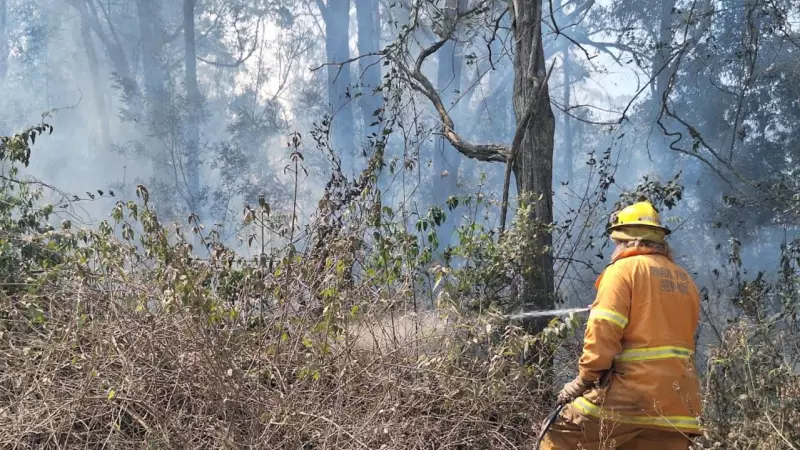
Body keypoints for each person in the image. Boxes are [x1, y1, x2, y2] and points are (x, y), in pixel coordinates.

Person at [540, 200, 703, 450]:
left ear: (626, 240)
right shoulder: (684, 280)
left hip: (630, 395)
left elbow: (603, 330)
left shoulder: (622, 271)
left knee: (558, 436)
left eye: (616, 243)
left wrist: (583, 380)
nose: (614, 249)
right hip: (678, 405)